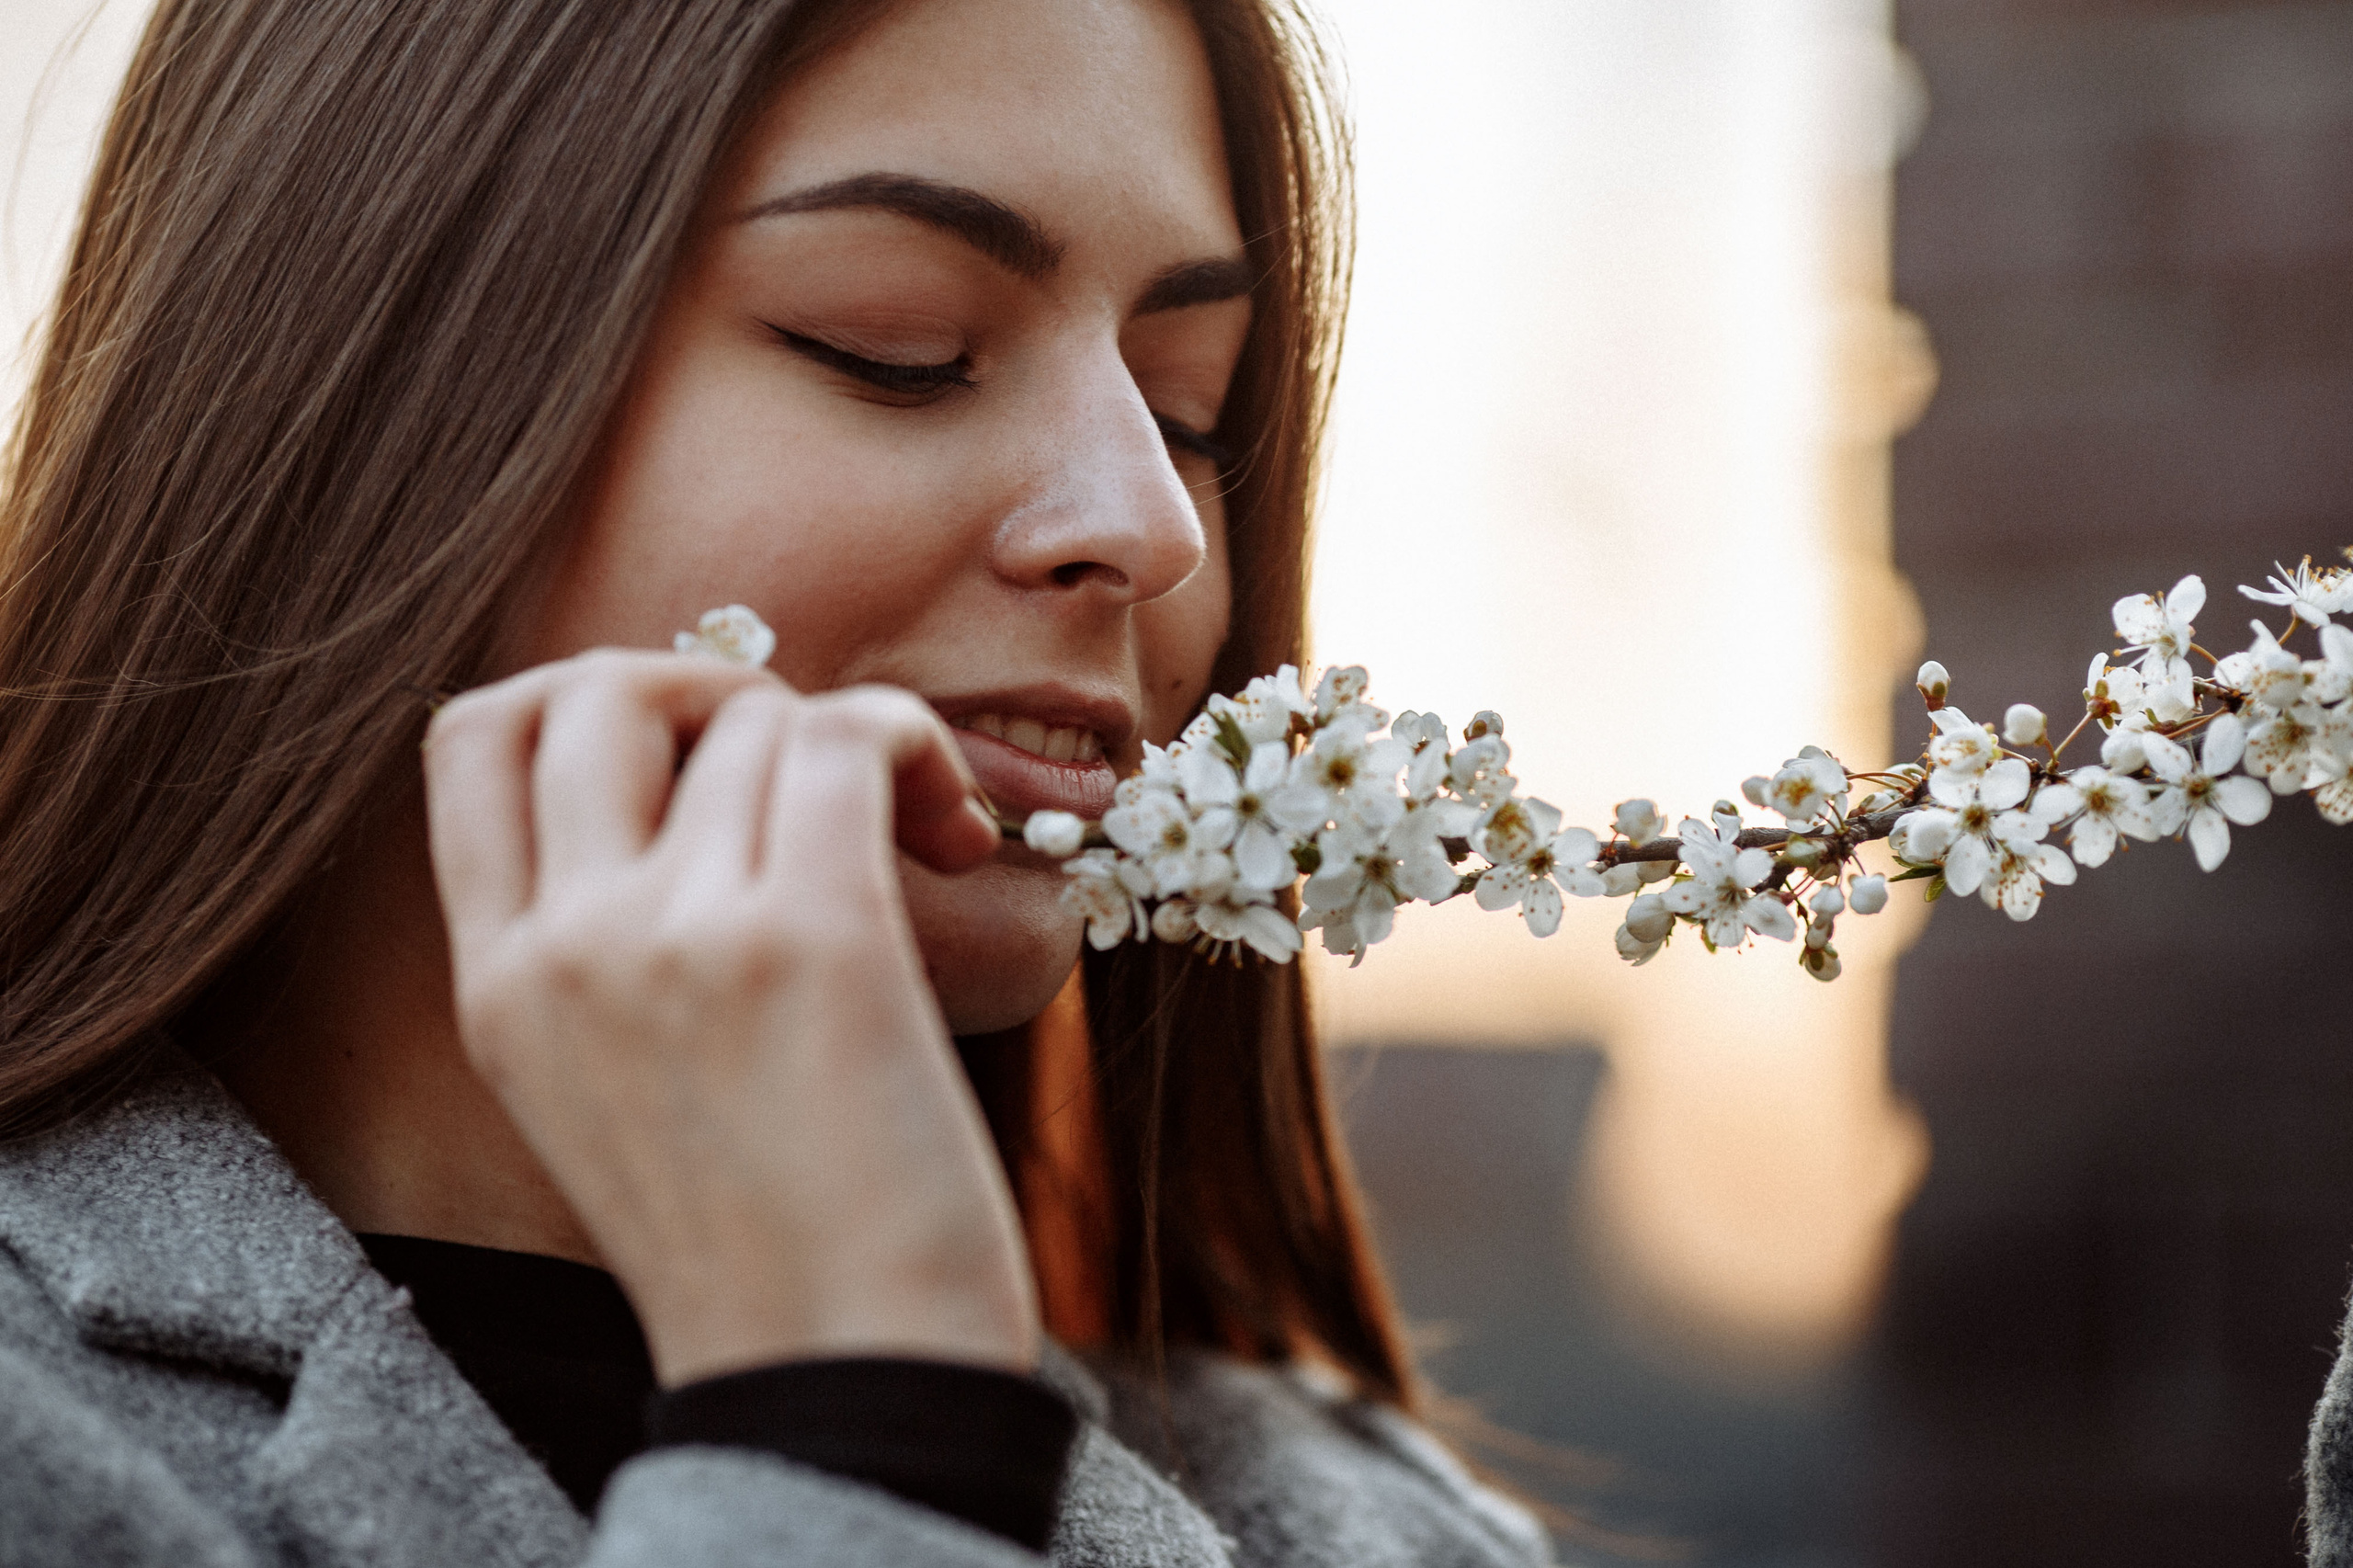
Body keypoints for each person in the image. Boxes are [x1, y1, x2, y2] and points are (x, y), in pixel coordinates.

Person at [0, 0, 1558, 1562]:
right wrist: (860, 1430)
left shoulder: (1370, 1531)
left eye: (1184, 410)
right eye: (900, 349)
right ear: (367, 379)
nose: (1153, 525)